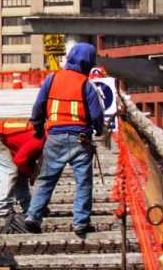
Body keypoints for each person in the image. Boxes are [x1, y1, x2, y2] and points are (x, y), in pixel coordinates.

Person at [24, 42, 106, 237]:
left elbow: (39, 106)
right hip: (81, 139)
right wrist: (99, 130)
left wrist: (37, 126)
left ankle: (33, 216)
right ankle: (80, 223)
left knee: (46, 179)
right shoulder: (86, 85)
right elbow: (96, 115)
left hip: (55, 138)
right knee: (83, 182)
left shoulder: (52, 79)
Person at [0, 120, 44, 218]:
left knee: (21, 174)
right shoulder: (40, 139)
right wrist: (31, 173)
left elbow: (27, 158)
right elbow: (20, 160)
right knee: (10, 172)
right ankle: (4, 210)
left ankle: (29, 207)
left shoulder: (48, 137)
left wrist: (31, 173)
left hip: (4, 138)